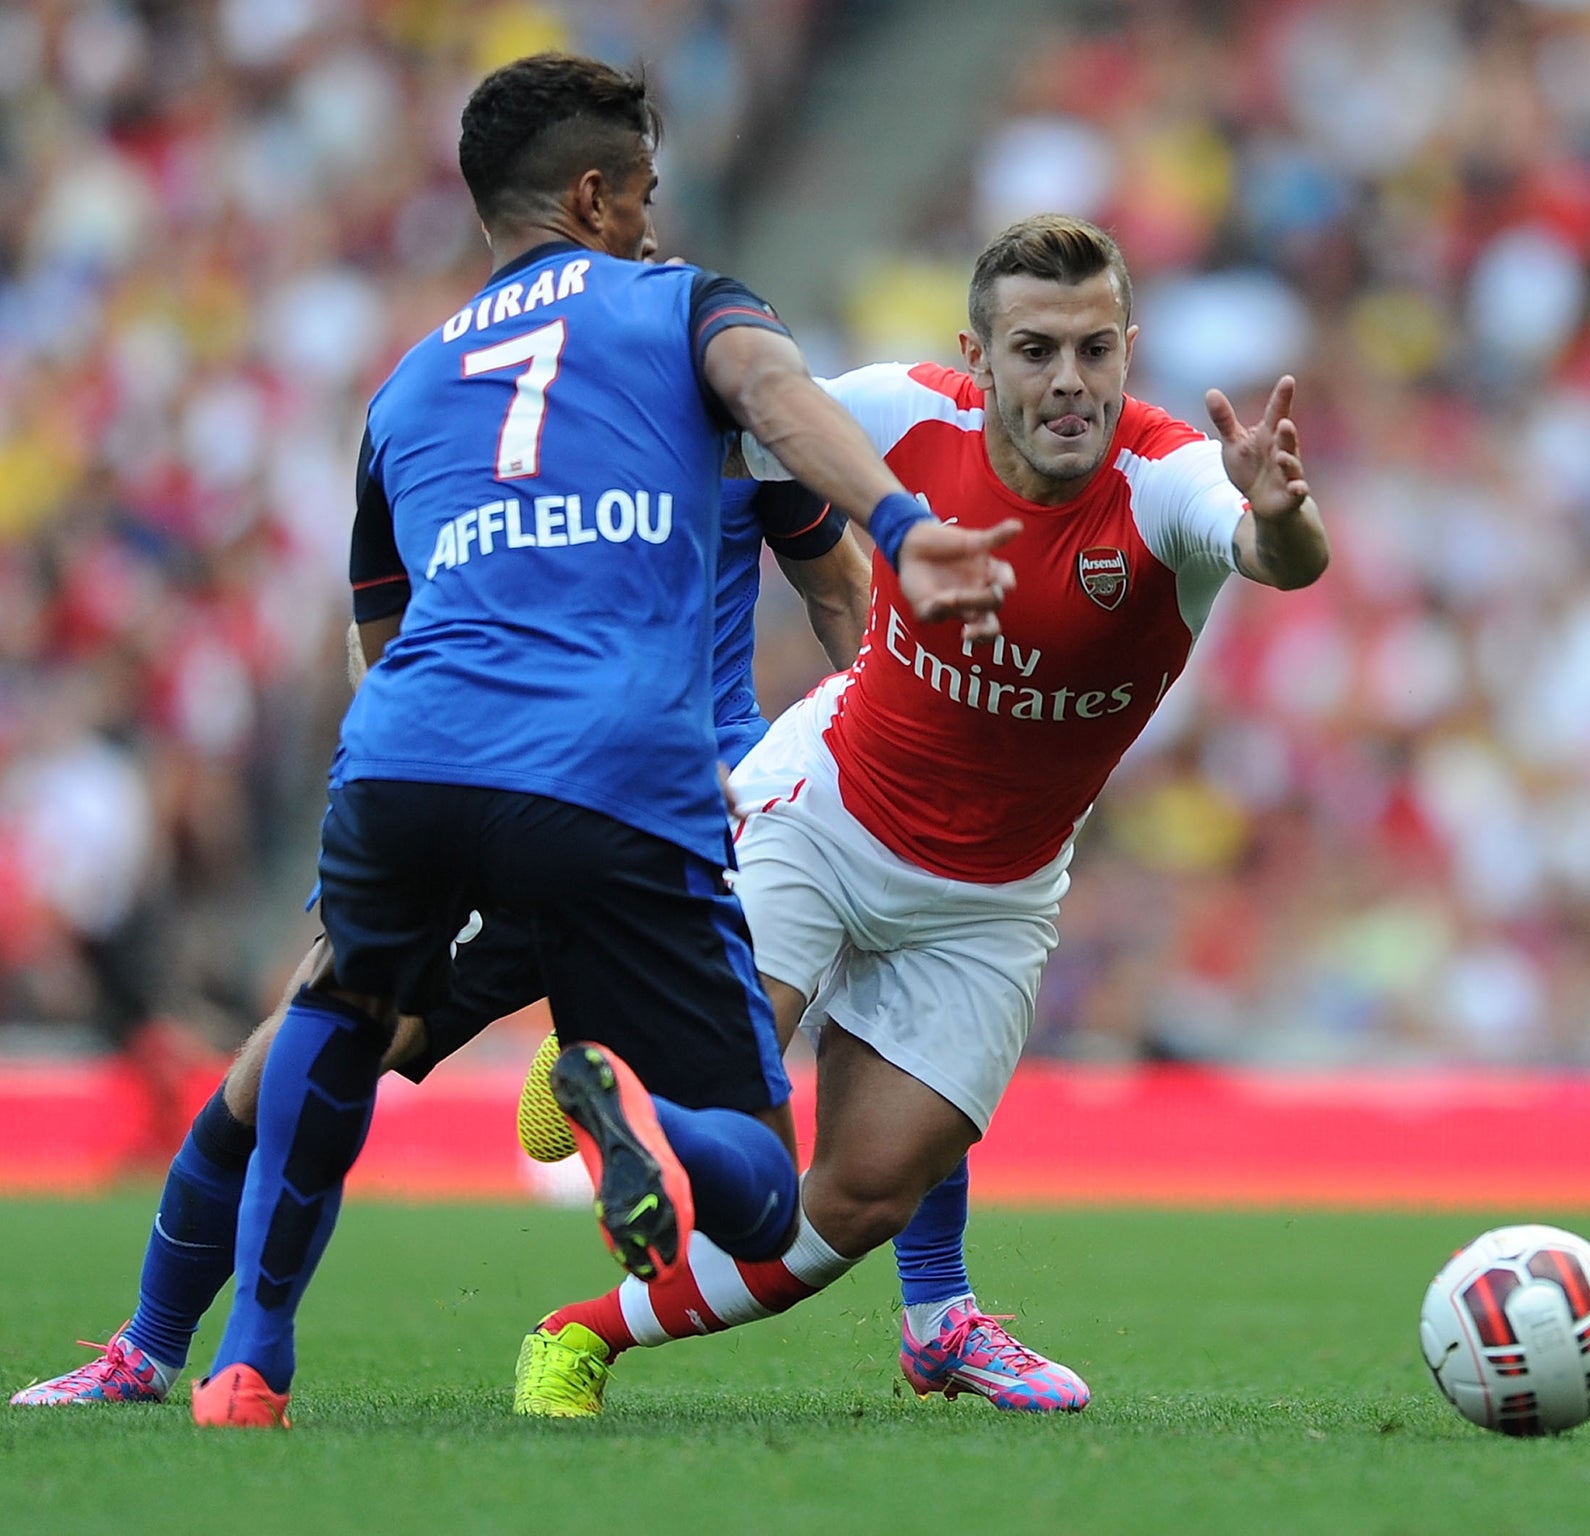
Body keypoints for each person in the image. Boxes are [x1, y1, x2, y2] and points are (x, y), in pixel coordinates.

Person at [158, 52, 1014, 1430]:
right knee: (760, 1183)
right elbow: (791, 433)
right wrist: (904, 528)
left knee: (324, 1027)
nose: (658, 222)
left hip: (415, 757)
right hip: (636, 788)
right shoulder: (688, 317)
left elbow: (379, 633)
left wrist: (385, 834)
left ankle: (241, 1361)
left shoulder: (403, 389)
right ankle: (649, 1107)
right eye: (648, 194)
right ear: (598, 194)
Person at [511, 212, 1328, 1416]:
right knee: (724, 1108)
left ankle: (579, 1335)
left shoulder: (1170, 482)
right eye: (1036, 350)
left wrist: (1278, 509)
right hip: (826, 814)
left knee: (857, 1198)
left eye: (1095, 351)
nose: (1068, 382)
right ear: (976, 354)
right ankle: (605, 1059)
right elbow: (719, 439)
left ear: (1127, 350)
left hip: (989, 901)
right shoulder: (899, 411)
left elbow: (1281, 557)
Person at [6, 474, 868, 1410]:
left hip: (516, 794)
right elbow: (844, 594)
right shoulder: (721, 397)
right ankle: (639, 1103)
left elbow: (382, 641)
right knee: (773, 1149)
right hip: (688, 806)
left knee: (313, 1043)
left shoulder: (510, 404)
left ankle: (172, 1351)